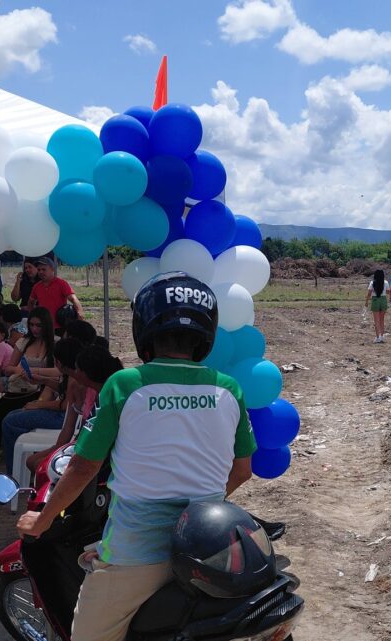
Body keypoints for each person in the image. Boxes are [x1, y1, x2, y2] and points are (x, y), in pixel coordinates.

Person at [17, 272, 256, 641]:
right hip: (208, 546)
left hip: (136, 552)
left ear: (143, 327)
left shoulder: (126, 385)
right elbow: (242, 470)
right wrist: (202, 502)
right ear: (208, 330)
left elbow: (83, 467)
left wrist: (43, 519)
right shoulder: (228, 388)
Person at [0, 337, 84, 476]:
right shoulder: (71, 373)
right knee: (12, 416)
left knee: (10, 422)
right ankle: (18, 467)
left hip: (60, 417)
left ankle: (14, 472)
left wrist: (38, 405)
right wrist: (43, 380)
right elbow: (65, 392)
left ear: (59, 362)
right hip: (61, 415)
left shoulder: (73, 379)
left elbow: (65, 406)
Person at [0, 307, 55, 463]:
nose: (35, 329)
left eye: (39, 325)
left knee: (18, 415)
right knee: (1, 409)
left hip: (45, 389)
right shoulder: (23, 342)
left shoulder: (55, 343)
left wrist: (34, 372)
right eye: (32, 325)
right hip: (22, 387)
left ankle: (23, 451)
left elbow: (59, 371)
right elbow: (8, 368)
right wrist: (18, 370)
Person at [26, 257, 82, 336]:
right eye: (39, 270)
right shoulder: (37, 286)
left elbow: (73, 298)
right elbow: (31, 302)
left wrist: (80, 313)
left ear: (52, 269)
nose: (41, 272)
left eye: (43, 269)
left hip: (60, 326)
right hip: (44, 327)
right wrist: (33, 317)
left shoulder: (61, 283)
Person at [364, 269, 389, 343]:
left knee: (376, 320)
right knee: (382, 320)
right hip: (383, 300)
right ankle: (382, 336)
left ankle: (378, 337)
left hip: (375, 300)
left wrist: (366, 302)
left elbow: (369, 293)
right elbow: (387, 292)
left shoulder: (372, 282)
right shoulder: (386, 282)